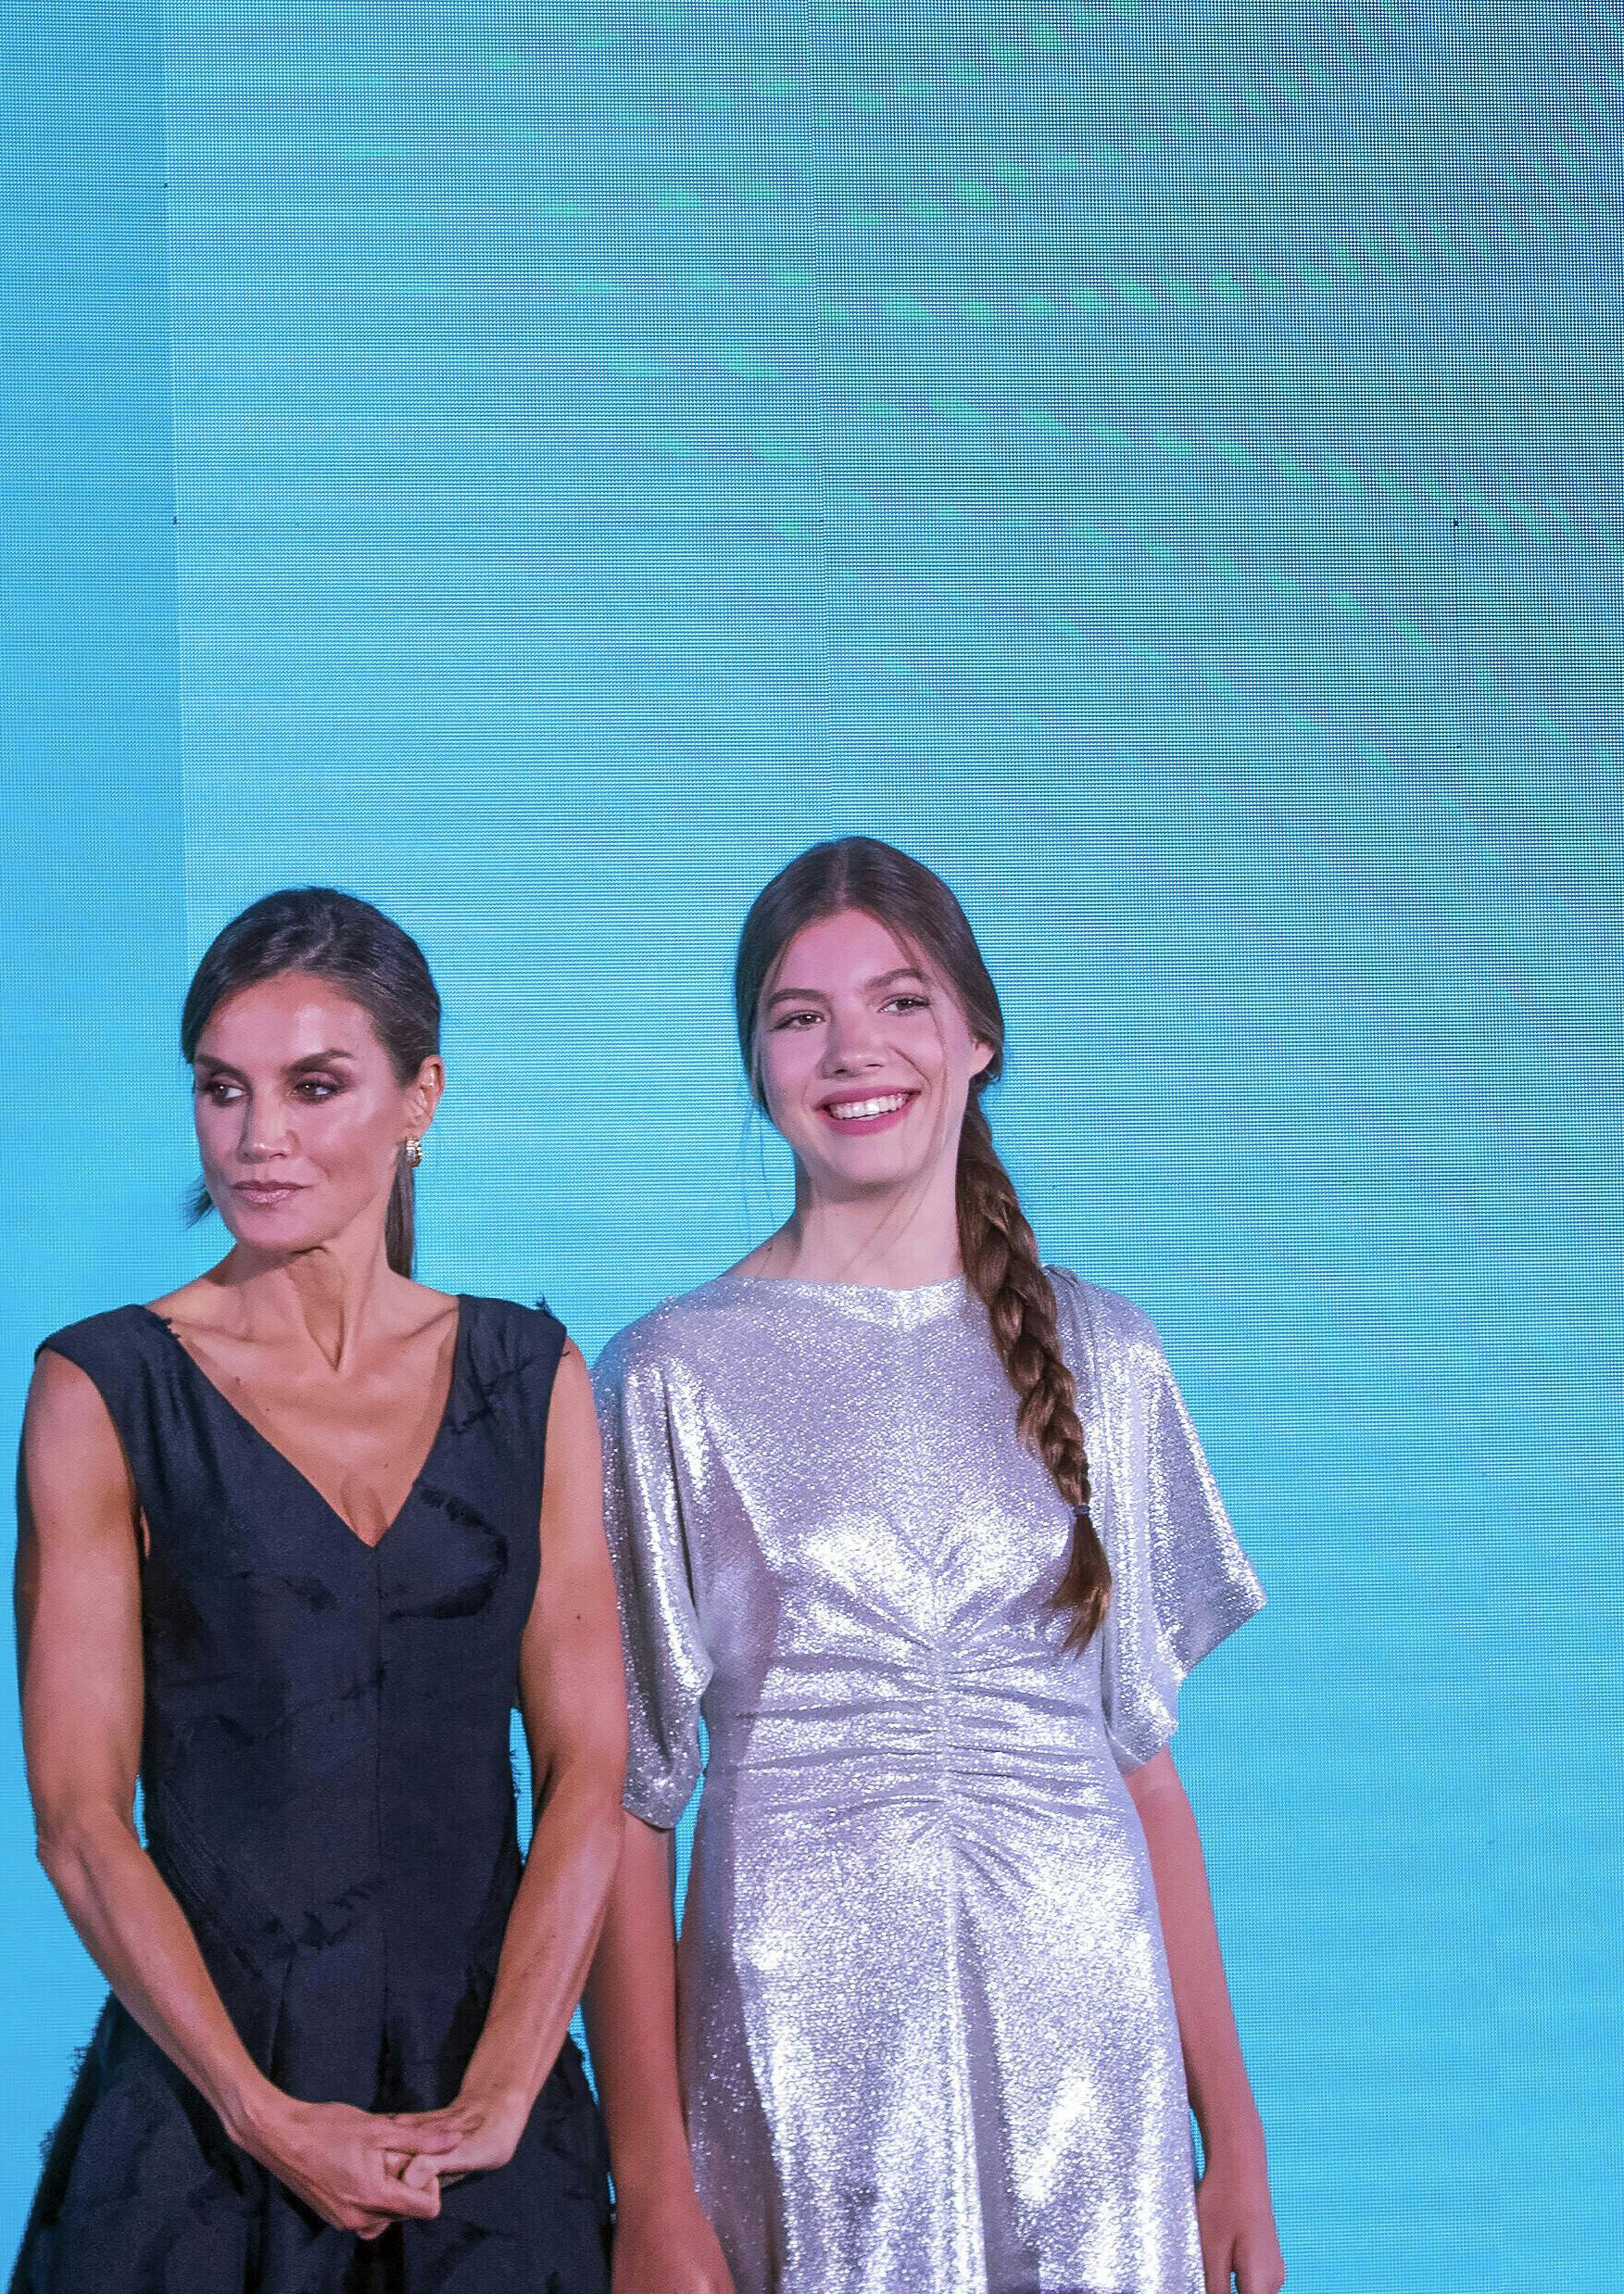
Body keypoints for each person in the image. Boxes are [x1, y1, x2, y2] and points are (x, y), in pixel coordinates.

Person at [582, 836, 1285, 2294]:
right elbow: (629, 1812)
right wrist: (649, 2188)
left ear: (976, 1038)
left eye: (900, 1002)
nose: (853, 1050)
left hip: (1086, 2050)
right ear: (755, 1064)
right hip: (795, 2049)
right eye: (797, 1015)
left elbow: (1143, 1777)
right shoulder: (669, 1375)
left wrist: (1235, 2147)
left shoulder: (1107, 1355)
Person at [9, 888, 623, 2292]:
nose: (257, 1136)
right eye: (222, 1090)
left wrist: (507, 2100)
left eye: (314, 1086)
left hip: (492, 2132)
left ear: (421, 1098)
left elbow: (590, 1763)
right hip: (203, 2131)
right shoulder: (103, 1388)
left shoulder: (530, 1375)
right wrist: (260, 2112)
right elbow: (80, 1818)